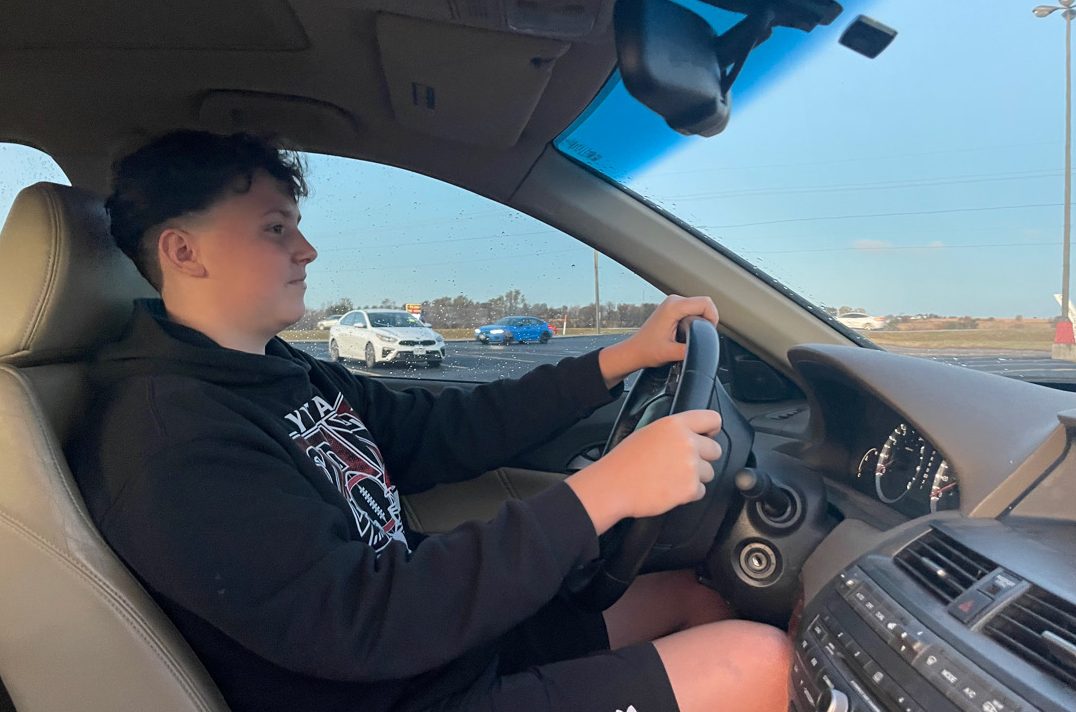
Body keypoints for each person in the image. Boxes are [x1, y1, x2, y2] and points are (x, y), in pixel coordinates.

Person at [72, 130, 791, 712]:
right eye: (274, 228)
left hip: (439, 653)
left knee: (700, 596)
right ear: (182, 251)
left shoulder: (281, 372)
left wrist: (619, 358)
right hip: (393, 689)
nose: (306, 249)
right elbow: (361, 620)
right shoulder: (171, 440)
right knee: (762, 665)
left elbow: (442, 428)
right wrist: (601, 495)